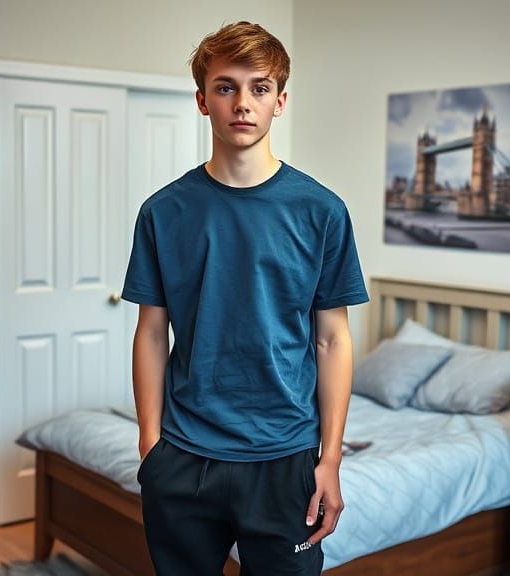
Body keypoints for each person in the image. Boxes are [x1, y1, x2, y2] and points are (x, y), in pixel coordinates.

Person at [121, 21, 368, 576]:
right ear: (202, 101)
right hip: (183, 454)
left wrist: (330, 458)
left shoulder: (322, 211)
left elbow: (332, 340)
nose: (242, 103)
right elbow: (151, 332)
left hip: (286, 455)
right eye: (225, 87)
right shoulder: (163, 212)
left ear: (280, 101)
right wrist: (150, 444)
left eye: (259, 88)